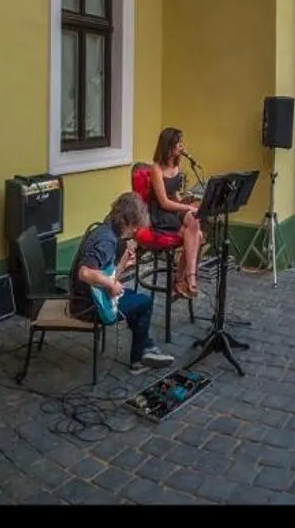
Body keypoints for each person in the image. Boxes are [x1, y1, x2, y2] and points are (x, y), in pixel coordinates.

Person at [73, 192, 173, 372]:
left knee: (136, 300)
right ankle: (139, 359)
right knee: (145, 302)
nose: (135, 231)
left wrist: (122, 266)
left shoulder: (105, 230)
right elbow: (85, 272)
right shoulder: (107, 241)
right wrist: (111, 284)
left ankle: (146, 349)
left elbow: (105, 274)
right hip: (87, 307)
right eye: (135, 226)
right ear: (128, 222)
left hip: (88, 297)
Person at [138, 127, 204, 300]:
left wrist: (186, 201)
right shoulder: (156, 169)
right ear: (168, 146)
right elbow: (164, 202)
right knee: (198, 236)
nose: (182, 146)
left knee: (195, 224)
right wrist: (187, 208)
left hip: (174, 210)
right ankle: (187, 279)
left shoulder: (176, 166)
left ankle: (183, 280)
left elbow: (174, 195)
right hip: (161, 213)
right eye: (178, 143)